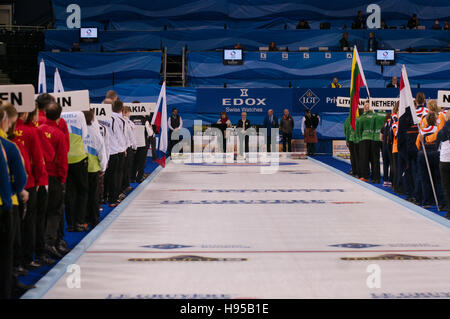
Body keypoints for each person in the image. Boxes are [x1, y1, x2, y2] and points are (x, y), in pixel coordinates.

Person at [12, 107, 47, 271]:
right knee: (29, 222)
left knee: (15, 224)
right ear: (24, 113)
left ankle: (15, 262)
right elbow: (37, 158)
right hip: (29, 182)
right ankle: (26, 259)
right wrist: (40, 180)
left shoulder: (10, 132)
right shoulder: (31, 131)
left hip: (10, 184)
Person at [0, 103, 28, 298]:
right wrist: (13, 193)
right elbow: (19, 177)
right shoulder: (7, 146)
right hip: (4, 205)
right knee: (5, 253)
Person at [38, 103, 68, 261]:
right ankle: (49, 242)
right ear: (59, 116)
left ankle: (41, 245)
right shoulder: (58, 134)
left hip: (41, 177)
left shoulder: (39, 130)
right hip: (54, 177)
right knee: (55, 211)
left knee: (42, 211)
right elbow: (62, 160)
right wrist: (62, 179)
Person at [61, 111, 89, 233]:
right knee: (82, 191)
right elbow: (85, 134)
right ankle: (79, 222)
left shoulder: (62, 113)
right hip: (78, 156)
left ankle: (71, 224)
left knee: (69, 192)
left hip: (65, 157)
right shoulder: (80, 114)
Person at [82, 110, 107, 228]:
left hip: (80, 167)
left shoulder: (77, 131)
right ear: (93, 119)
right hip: (93, 168)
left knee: (82, 194)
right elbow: (101, 151)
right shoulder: (96, 133)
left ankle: (83, 219)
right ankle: (94, 219)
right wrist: (103, 167)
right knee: (94, 194)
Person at [416, 112, 445, 209]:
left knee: (425, 179)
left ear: (427, 121)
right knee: (438, 179)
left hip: (424, 154)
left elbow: (417, 145)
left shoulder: (422, 131)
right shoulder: (439, 130)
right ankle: (441, 202)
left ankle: (426, 201)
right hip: (436, 154)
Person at [104, 99, 127, 207]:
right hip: (115, 151)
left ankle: (104, 197)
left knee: (106, 175)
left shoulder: (104, 117)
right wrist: (124, 148)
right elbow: (120, 136)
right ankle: (113, 199)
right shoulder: (118, 119)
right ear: (121, 109)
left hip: (105, 150)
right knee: (115, 176)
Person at [355, 101, 375, 182]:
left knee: (365, 158)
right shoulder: (375, 116)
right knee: (374, 159)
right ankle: (375, 177)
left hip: (364, 139)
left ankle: (365, 176)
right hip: (373, 139)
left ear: (364, 109)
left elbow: (359, 131)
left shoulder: (361, 118)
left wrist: (359, 139)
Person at [436, 111, 450, 218]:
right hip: (445, 159)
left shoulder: (442, 131)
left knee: (446, 187)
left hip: (444, 160)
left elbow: (437, 145)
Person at [121, 106, 137, 196]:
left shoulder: (128, 122)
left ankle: (125, 184)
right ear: (125, 112)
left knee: (126, 168)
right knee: (125, 168)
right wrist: (134, 146)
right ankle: (124, 186)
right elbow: (131, 136)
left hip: (125, 147)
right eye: (128, 112)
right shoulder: (126, 122)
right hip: (126, 147)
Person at [371, 110, 386, 184]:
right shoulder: (386, 115)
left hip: (375, 139)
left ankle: (376, 178)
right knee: (385, 159)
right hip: (384, 139)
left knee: (375, 159)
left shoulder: (375, 116)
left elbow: (372, 128)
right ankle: (386, 178)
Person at [380, 113, 393, 187]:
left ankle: (385, 180)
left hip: (385, 146)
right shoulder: (392, 125)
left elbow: (380, 138)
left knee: (385, 164)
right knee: (391, 164)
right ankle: (391, 180)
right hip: (390, 146)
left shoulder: (383, 126)